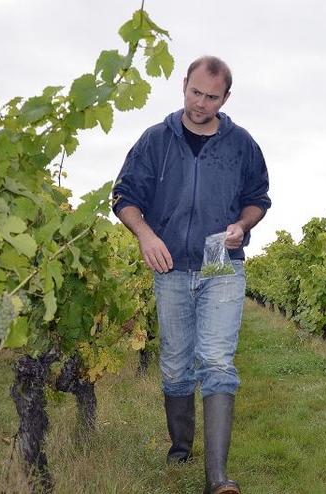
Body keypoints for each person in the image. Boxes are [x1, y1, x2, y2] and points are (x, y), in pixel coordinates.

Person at [112, 55, 270, 494]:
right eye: (195, 92)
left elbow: (258, 198)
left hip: (222, 266)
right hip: (172, 268)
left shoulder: (242, 145)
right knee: (177, 367)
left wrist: (243, 225)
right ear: (184, 85)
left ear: (226, 98)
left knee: (217, 362)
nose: (201, 103)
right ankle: (180, 449)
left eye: (212, 97)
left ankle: (218, 479)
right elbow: (123, 196)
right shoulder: (155, 140)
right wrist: (144, 234)